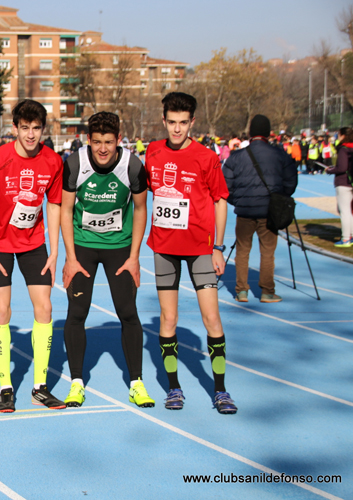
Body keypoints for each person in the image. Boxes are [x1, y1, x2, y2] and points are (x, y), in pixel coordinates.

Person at [145, 92, 237, 415]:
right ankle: (173, 387)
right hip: (164, 248)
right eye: (172, 122)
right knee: (169, 317)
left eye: (183, 123)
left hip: (200, 248)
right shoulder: (153, 152)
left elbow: (221, 200)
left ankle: (221, 390)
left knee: (211, 317)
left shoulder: (206, 157)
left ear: (192, 122)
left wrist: (218, 247)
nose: (177, 129)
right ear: (164, 120)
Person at [60, 111, 154, 408]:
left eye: (109, 142)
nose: (103, 149)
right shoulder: (75, 163)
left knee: (128, 312)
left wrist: (135, 257)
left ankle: (137, 383)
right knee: (77, 313)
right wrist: (70, 258)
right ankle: (76, 383)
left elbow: (140, 209)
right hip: (83, 247)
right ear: (88, 140)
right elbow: (64, 210)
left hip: (120, 248)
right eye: (97, 142)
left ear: (119, 140)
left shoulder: (133, 166)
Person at [0, 99, 65, 412]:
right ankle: (6, 388)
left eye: (36, 128)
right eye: (25, 128)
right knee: (1, 312)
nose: (31, 135)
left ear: (43, 129)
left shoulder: (52, 161)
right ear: (14, 128)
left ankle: (40, 387)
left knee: (44, 307)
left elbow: (54, 204)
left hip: (34, 245)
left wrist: (54, 249)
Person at [222, 114, 298, 303]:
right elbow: (291, 182)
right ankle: (267, 291)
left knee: (242, 251)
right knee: (267, 252)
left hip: (245, 211)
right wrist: (280, 198)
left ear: (250, 133)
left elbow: (225, 186)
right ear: (268, 133)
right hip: (269, 211)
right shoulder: (280, 155)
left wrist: (238, 201)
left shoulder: (236, 157)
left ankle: (241, 290)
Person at [327, 128, 353, 247]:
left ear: (343, 136)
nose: (337, 136)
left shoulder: (344, 150)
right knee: (347, 210)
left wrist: (330, 169)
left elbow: (341, 168)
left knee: (344, 211)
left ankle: (345, 239)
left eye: (338, 135)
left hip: (344, 183)